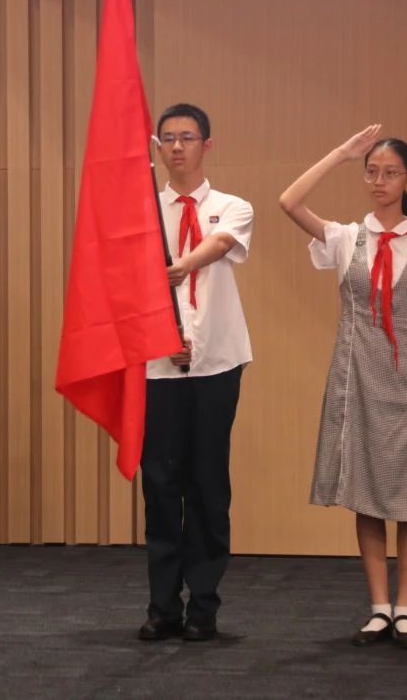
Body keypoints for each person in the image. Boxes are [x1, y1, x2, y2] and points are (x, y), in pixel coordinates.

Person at [279, 124, 407, 649]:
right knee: (365, 492)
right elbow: (289, 202)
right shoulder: (346, 238)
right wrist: (341, 153)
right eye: (372, 172)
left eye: (391, 173)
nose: (380, 182)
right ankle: (379, 607)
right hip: (355, 377)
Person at [138, 103, 253, 643]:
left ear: (207, 144)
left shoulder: (232, 206)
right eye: (167, 138)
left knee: (208, 485)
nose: (177, 146)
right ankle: (163, 606)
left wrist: (181, 265)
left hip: (216, 366)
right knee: (161, 486)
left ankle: (203, 606)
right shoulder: (141, 213)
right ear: (158, 147)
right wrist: (163, 339)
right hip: (157, 370)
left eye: (187, 137)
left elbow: (221, 246)